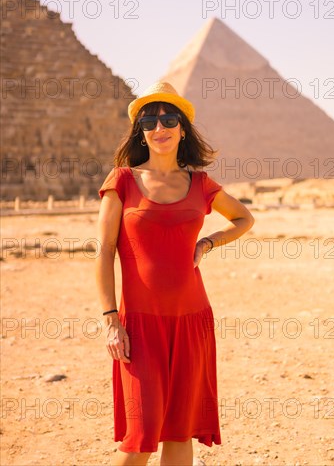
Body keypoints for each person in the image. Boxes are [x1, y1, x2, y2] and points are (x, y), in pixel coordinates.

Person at [95, 81, 255, 466]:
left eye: (169, 119)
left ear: (183, 128)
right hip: (139, 326)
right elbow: (104, 254)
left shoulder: (200, 184)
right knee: (140, 440)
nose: (159, 127)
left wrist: (209, 241)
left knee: (179, 435)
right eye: (149, 121)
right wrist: (110, 320)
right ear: (141, 132)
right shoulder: (122, 181)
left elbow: (244, 218)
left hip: (191, 321)